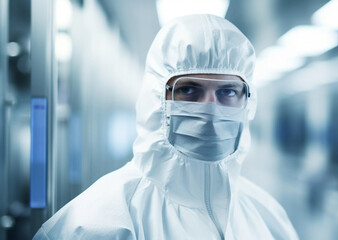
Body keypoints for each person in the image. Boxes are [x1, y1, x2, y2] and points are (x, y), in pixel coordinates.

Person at [33, 14, 299, 239]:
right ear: (157, 98)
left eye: (228, 92)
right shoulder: (96, 223)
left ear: (248, 102)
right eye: (189, 89)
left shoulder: (267, 216)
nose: (210, 109)